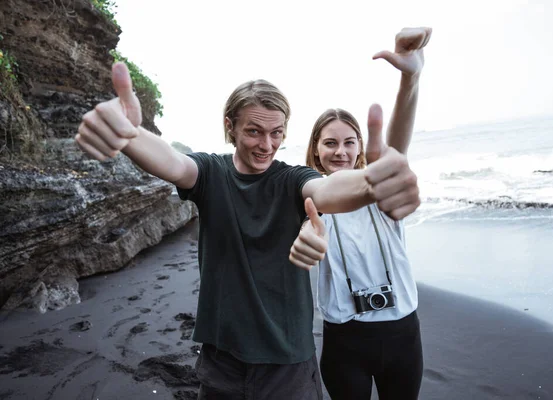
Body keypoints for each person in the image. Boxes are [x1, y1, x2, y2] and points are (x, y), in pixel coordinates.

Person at [74, 52, 421, 398]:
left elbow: (327, 189)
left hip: (289, 361)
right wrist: (132, 136)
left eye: (276, 133)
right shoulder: (211, 173)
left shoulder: (292, 179)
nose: (266, 145)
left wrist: (371, 184)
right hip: (222, 360)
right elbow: (173, 163)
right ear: (230, 126)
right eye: (254, 131)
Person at [289, 27, 432, 400]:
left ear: (361, 148)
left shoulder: (379, 189)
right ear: (316, 151)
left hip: (402, 333)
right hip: (344, 340)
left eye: (349, 142)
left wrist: (410, 77)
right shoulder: (314, 196)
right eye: (330, 143)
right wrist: (307, 233)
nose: (340, 151)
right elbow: (309, 219)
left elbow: (398, 144)